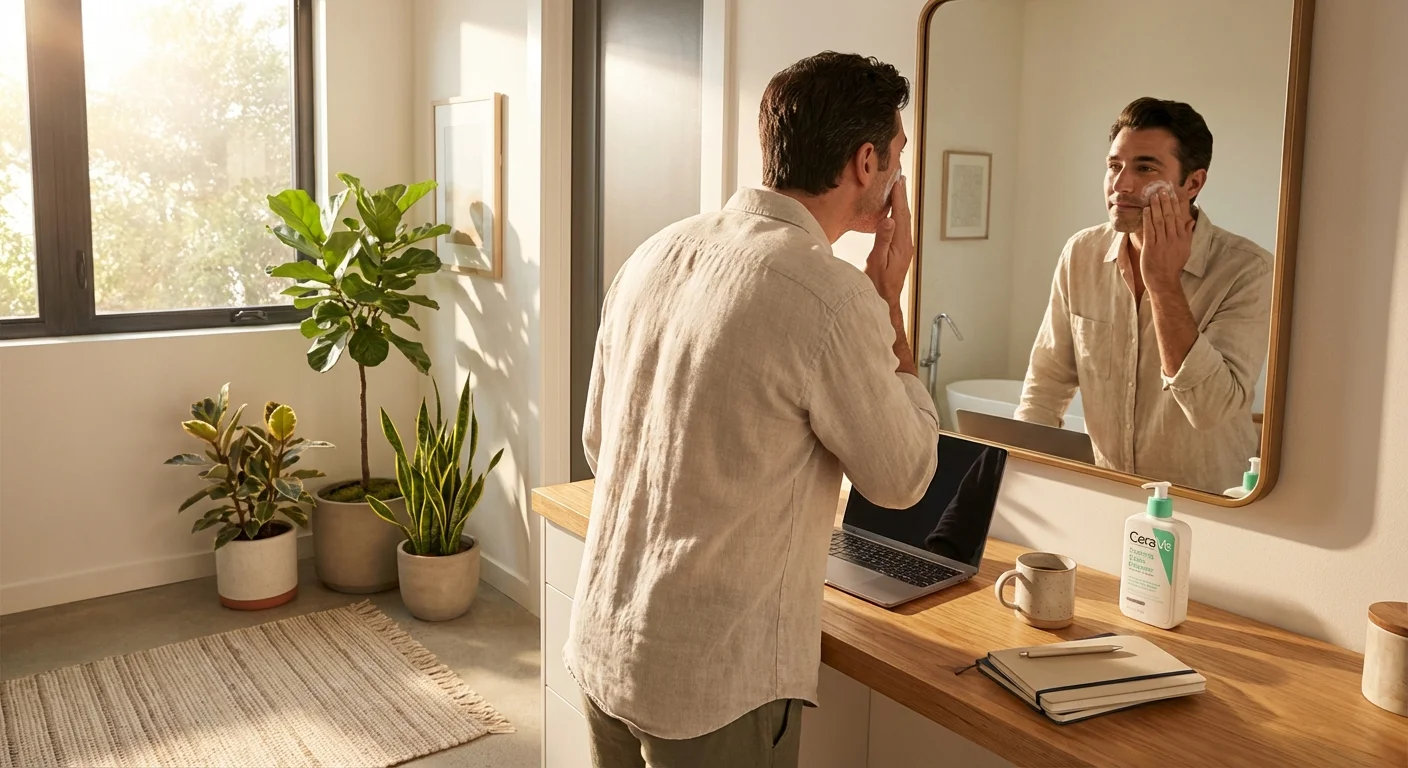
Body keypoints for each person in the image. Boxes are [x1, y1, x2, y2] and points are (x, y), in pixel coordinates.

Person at [567, 52, 942, 768]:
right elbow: (902, 479)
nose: (899, 174)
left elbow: (598, 442)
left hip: (605, 643)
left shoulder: (655, 251)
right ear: (867, 162)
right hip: (713, 684)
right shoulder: (830, 296)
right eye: (897, 156)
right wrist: (888, 298)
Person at [1015, 97, 1272, 492]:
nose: (1121, 184)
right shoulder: (1080, 254)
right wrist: (1019, 477)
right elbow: (1046, 386)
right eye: (1114, 166)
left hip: (1210, 508)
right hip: (1109, 495)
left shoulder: (1248, 270)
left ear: (1193, 182)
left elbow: (1210, 408)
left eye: (1145, 168)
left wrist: (1164, 284)